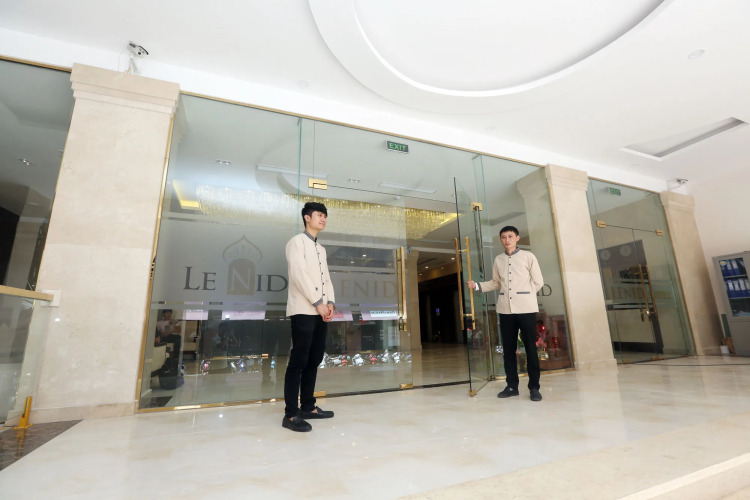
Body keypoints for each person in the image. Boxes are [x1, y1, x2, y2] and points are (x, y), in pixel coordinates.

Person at [467, 225, 544, 402]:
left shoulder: (528, 256)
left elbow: (538, 282)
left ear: (517, 238)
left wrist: (524, 295)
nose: (507, 239)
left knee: (530, 349)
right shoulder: (498, 259)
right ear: (501, 240)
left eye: (510, 236)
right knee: (508, 350)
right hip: (505, 310)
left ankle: (534, 387)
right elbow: (496, 282)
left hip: (526, 309)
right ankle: (511, 386)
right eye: (503, 237)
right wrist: (477, 285)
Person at [282, 201, 336, 432]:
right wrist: (317, 303)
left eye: (325, 216)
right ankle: (291, 414)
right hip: (303, 310)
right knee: (299, 361)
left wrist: (330, 303)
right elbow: (299, 274)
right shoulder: (296, 242)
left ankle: (308, 407)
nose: (323, 219)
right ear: (307, 217)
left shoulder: (320, 249)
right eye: (319, 215)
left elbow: (326, 279)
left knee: (314, 359)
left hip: (320, 311)